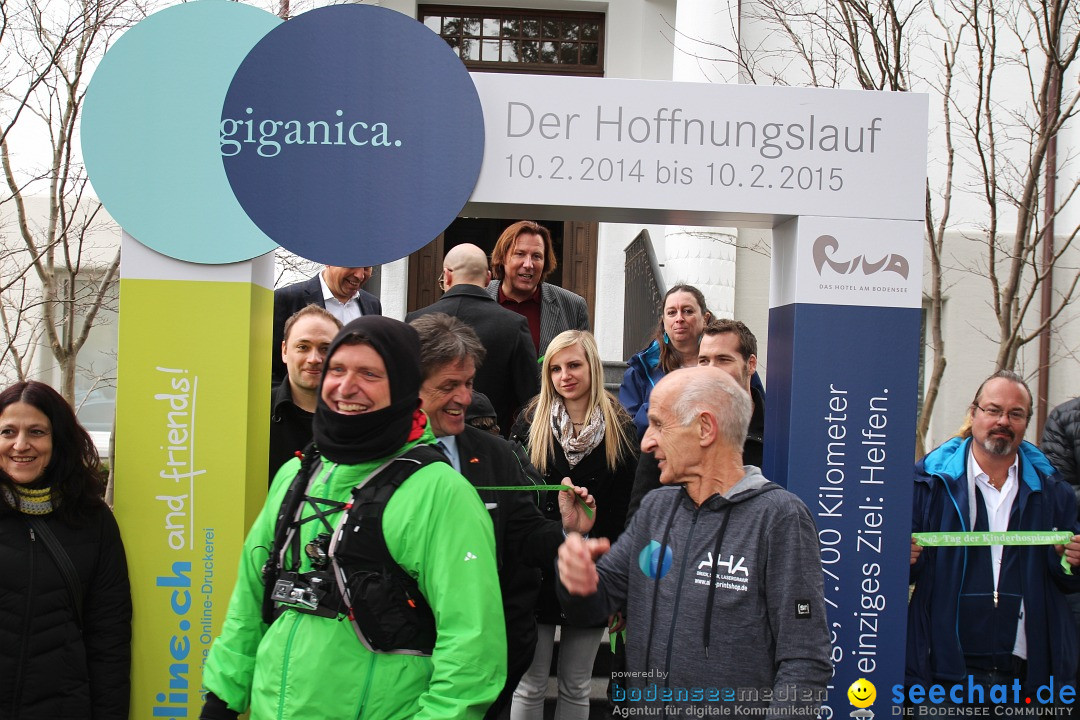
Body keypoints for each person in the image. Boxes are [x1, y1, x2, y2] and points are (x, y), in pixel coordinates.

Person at [201, 316, 506, 720]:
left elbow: (472, 648)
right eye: (338, 369)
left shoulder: (441, 494)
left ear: (402, 386)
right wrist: (222, 698)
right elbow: (250, 599)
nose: (346, 387)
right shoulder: (297, 474)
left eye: (369, 374)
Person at [557, 367, 831, 717]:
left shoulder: (780, 518)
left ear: (705, 428)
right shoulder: (655, 510)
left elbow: (805, 660)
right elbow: (594, 603)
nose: (646, 441)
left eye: (658, 424)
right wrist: (575, 575)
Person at [410, 313, 594, 720]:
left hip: (490, 659)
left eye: (469, 383)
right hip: (405, 658)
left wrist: (567, 533)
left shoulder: (495, 453)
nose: (463, 398)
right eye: (447, 386)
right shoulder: (383, 459)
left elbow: (523, 532)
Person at [909, 370, 1080, 696]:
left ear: (1026, 422)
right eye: (993, 410)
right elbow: (904, 572)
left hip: (1022, 678)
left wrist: (1071, 562)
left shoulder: (1052, 490)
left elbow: (1066, 579)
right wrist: (904, 559)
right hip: (943, 675)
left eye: (1015, 414)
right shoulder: (929, 484)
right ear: (973, 413)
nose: (1004, 420)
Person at [510, 330, 638, 720]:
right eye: (555, 368)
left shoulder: (620, 427)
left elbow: (627, 513)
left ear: (593, 367)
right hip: (536, 570)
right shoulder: (530, 422)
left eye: (574, 365)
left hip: (593, 571)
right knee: (529, 684)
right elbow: (517, 503)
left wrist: (620, 588)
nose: (564, 375)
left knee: (577, 684)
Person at [0, 380, 132, 719]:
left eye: (37, 432)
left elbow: (109, 641)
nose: (20, 444)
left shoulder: (93, 520)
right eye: (8, 432)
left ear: (57, 439)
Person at [626, 319, 765, 521]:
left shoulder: (778, 434)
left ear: (750, 364)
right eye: (704, 361)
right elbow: (640, 521)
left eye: (723, 360)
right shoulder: (667, 428)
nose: (710, 370)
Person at [408, 243, 539, 437]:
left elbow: (406, 388)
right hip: (490, 442)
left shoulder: (415, 320)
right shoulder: (513, 324)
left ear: (447, 275)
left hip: (427, 441)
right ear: (488, 278)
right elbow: (531, 400)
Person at [485, 221, 589, 359]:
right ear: (502, 257)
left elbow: (583, 365)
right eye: (520, 254)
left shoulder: (573, 307)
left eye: (536, 256)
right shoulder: (476, 300)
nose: (528, 264)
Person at [620, 284, 711, 440]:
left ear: (705, 318)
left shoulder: (728, 363)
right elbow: (627, 431)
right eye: (671, 313)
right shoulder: (641, 370)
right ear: (663, 321)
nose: (679, 318)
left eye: (688, 311)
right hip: (658, 459)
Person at [271, 266, 381, 384]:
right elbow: (269, 367)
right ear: (328, 261)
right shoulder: (285, 299)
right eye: (352, 265)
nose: (360, 275)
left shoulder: (372, 304)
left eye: (366, 268)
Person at [269, 305, 341, 484]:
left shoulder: (358, 418)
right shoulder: (255, 412)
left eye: (325, 348)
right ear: (284, 351)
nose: (314, 359)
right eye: (303, 347)